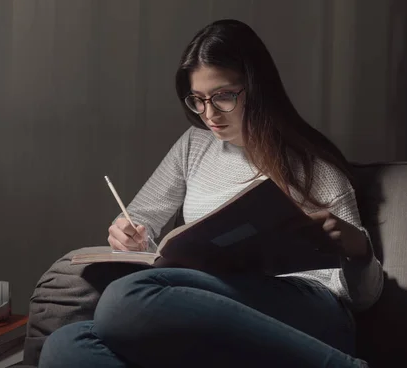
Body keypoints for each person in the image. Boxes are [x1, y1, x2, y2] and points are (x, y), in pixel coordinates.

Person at [38, 19, 382, 368]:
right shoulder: (195, 144)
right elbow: (141, 216)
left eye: (223, 97)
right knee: (66, 345)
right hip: (213, 306)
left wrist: (360, 251)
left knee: (126, 299)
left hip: (306, 313)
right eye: (198, 100)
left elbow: (363, 298)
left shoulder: (314, 167)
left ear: (258, 88)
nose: (209, 114)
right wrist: (127, 232)